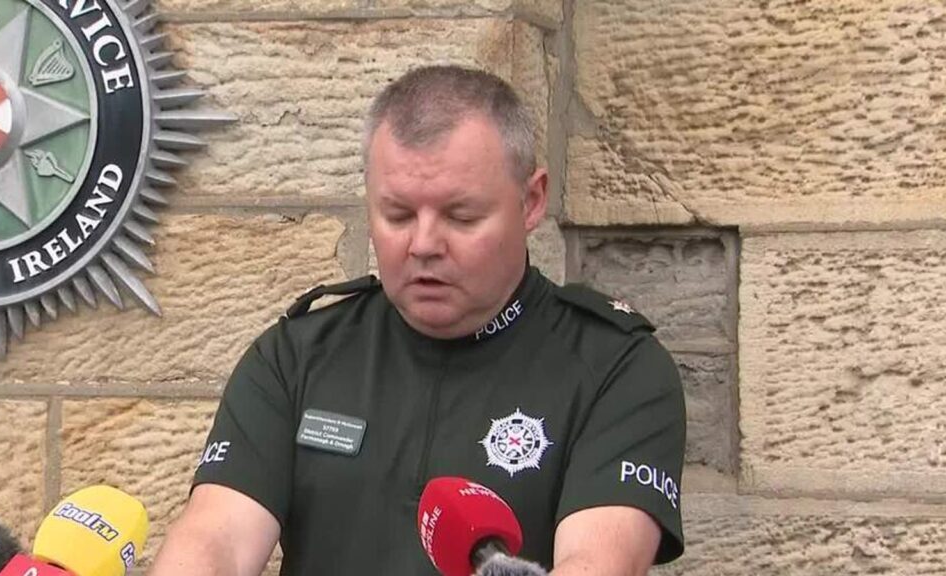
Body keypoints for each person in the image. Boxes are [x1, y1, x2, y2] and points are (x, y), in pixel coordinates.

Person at [149, 65, 686, 576]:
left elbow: (599, 561)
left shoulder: (614, 366)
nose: (424, 244)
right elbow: (216, 540)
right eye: (398, 215)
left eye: (461, 216)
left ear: (531, 201)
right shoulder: (297, 356)